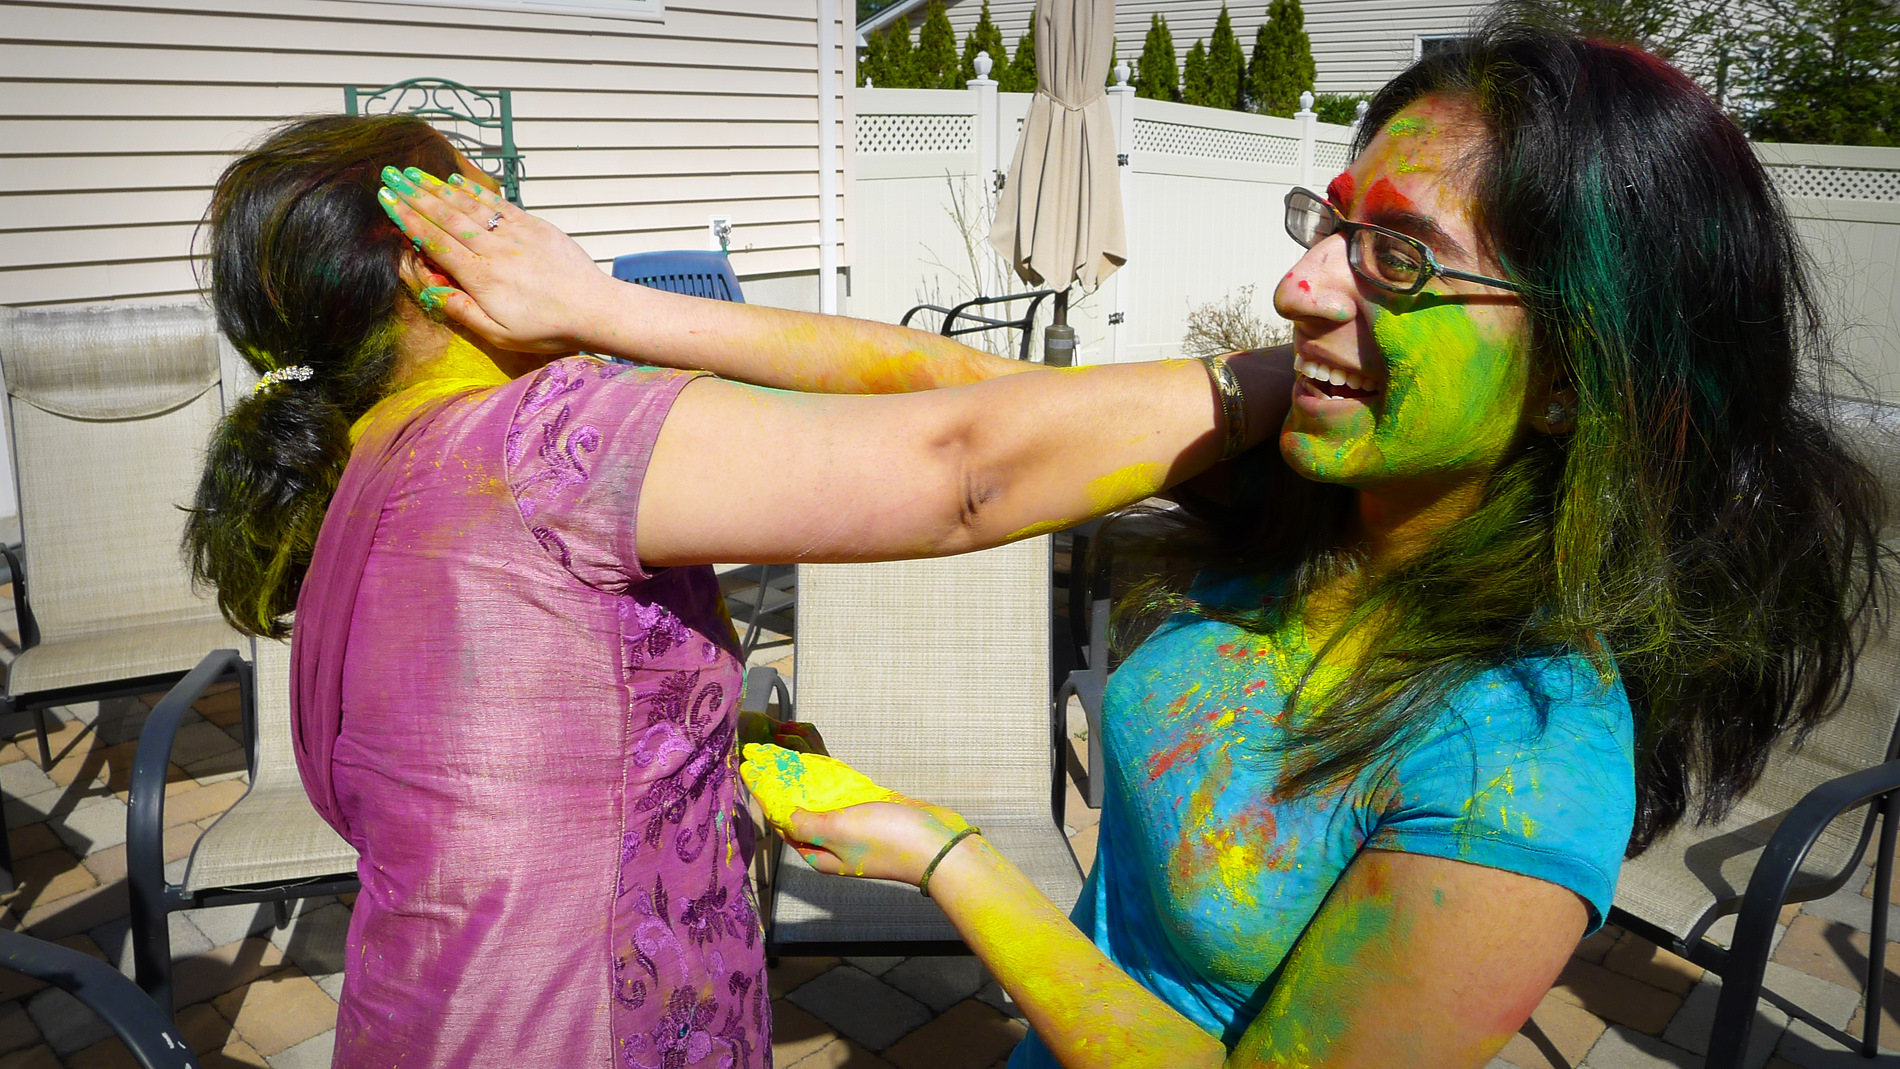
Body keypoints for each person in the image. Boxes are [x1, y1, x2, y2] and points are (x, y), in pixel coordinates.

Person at [731, 16, 1891, 1069]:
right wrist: (643, 329)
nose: (1297, 285)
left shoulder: (1522, 769)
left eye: (1399, 256)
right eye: (1334, 223)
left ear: (1573, 375)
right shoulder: (1314, 498)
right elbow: (975, 400)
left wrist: (950, 863)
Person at [184, 114, 1293, 1067]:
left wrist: (679, 734)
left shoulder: (354, 477)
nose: (529, 223)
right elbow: (966, 470)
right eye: (497, 205)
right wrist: (1289, 380)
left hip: (415, 1019)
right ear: (434, 260)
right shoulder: (551, 437)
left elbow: (476, 757)